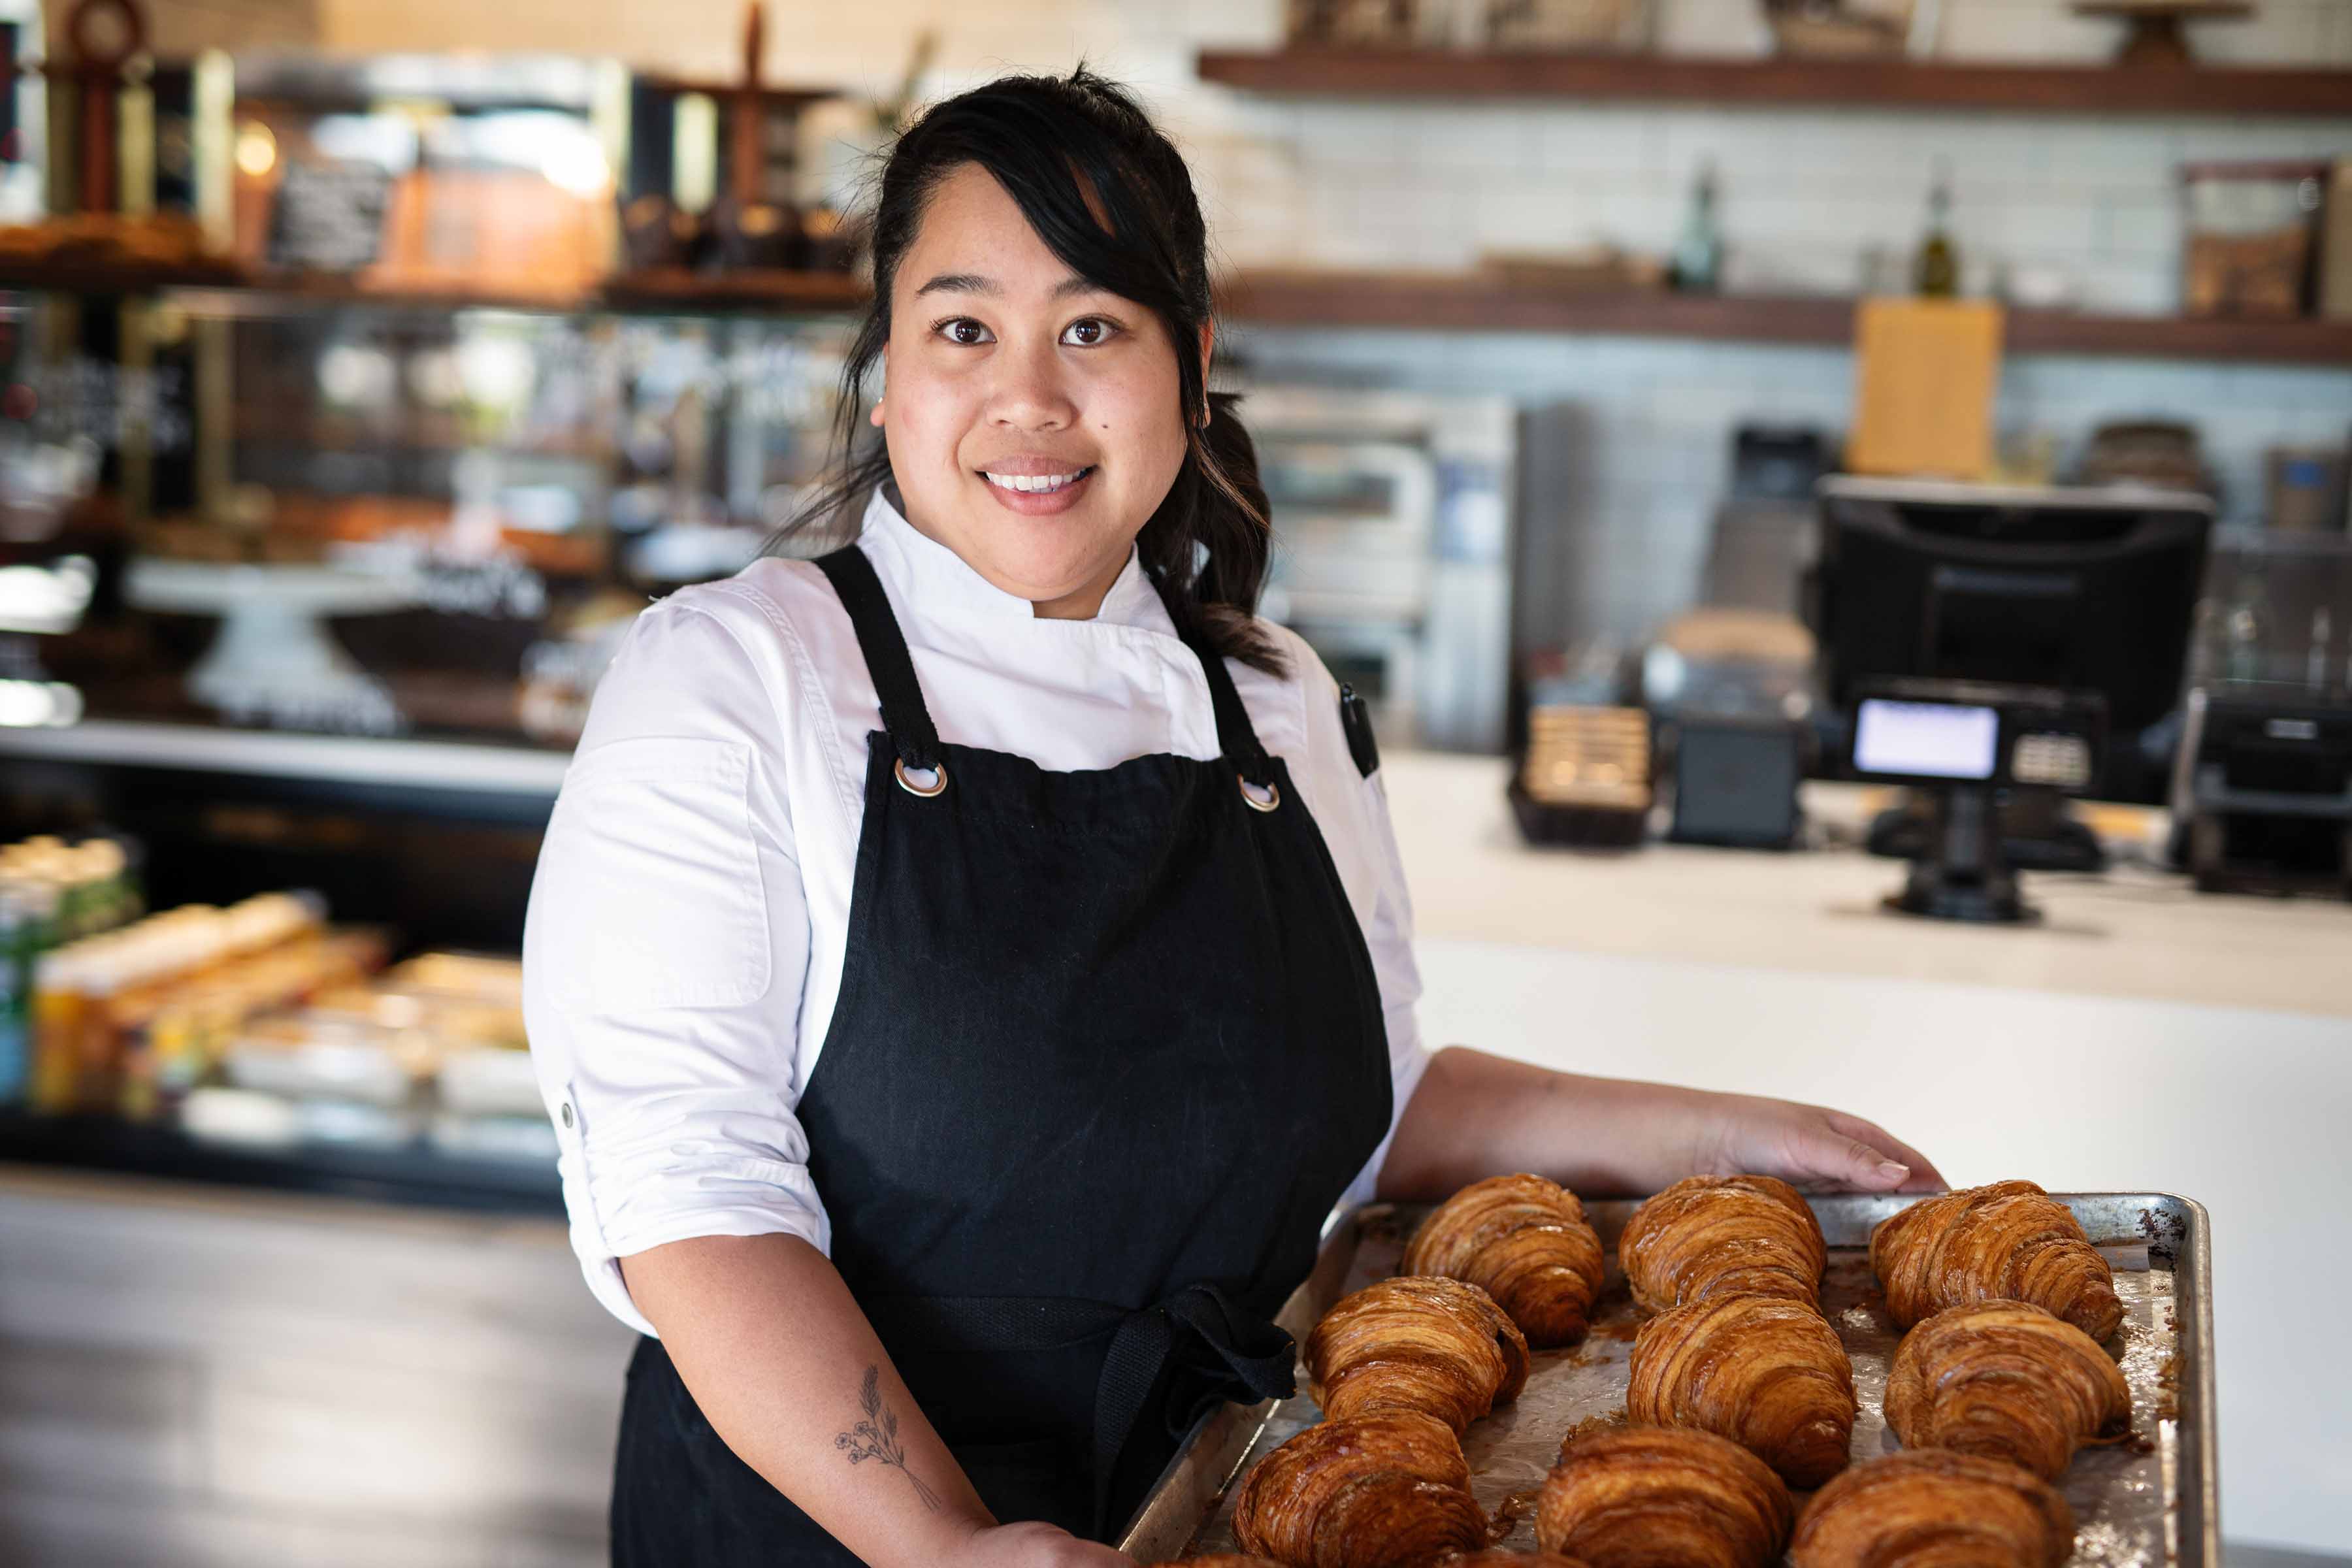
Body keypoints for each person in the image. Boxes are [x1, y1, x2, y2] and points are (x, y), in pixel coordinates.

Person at [521, 67, 1943, 1568]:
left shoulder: (1270, 700)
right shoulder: (735, 678)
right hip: (830, 1529)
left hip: (1233, 1506)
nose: (1031, 397)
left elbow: (1368, 1112)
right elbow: (686, 1195)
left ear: (1191, 367)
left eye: (1093, 327)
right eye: (962, 329)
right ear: (888, 376)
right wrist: (939, 1543)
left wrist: (1726, 1134)